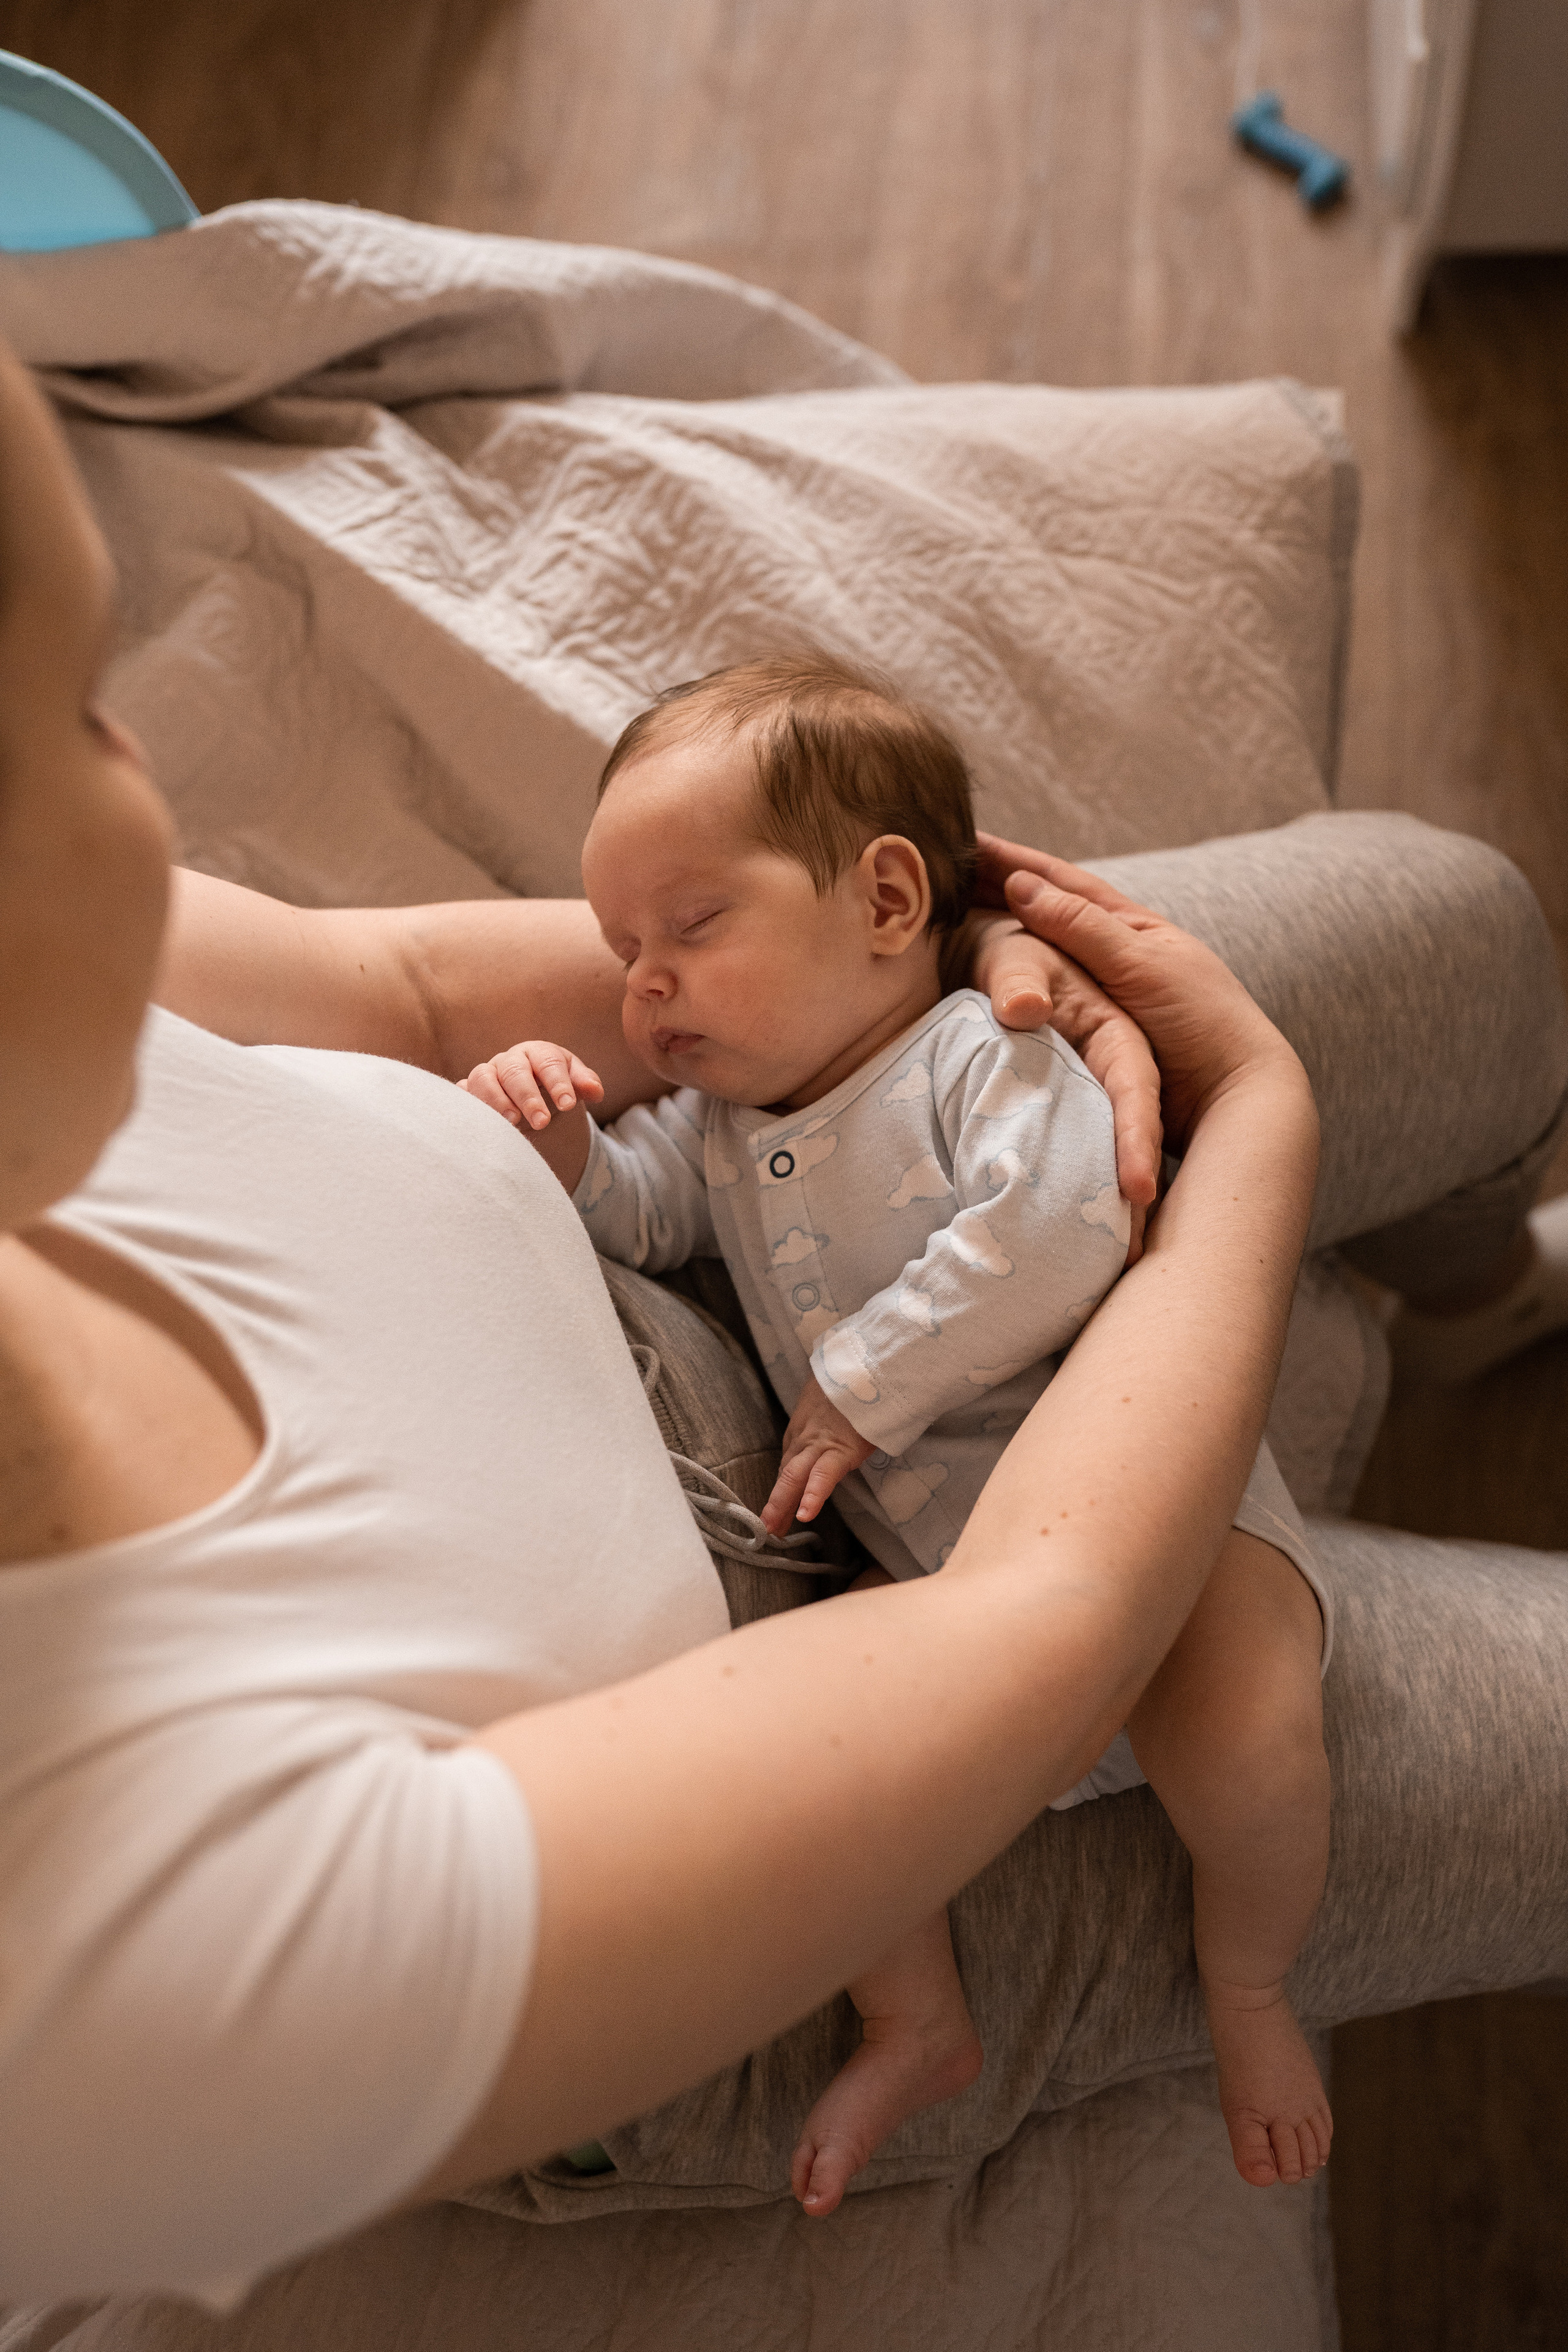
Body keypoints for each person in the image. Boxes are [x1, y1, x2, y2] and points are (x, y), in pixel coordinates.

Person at [0, 332, 1333, 2304]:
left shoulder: (77, 1018)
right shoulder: (125, 1973)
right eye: (90, 722)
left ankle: (1486, 1276)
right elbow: (1042, 1629)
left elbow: (425, 989)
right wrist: (1264, 1141)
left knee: (1445, 914)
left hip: (842, 1135)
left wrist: (916, 978)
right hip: (897, 1585)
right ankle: (1018, 2014)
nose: (158, 800)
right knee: (1320, 1733)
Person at [461, 658, 1333, 2213]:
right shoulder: (724, 1117)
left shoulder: (974, 1057)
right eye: (619, 949)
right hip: (948, 1590)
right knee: (847, 1780)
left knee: (1247, 1744)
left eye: (689, 927)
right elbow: (648, 1221)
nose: (641, 984)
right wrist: (563, 1140)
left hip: (1173, 1536)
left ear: (882, 902)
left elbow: (1064, 1223)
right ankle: (916, 2020)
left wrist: (860, 1376)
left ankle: (1253, 1983)